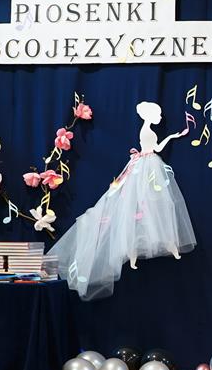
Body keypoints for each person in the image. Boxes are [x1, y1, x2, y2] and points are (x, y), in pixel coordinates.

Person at [49, 101, 196, 301]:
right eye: (157, 116)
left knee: (147, 204)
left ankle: (145, 247)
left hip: (145, 165)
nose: (159, 119)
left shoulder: (147, 130)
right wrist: (170, 137)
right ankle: (136, 249)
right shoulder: (147, 131)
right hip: (146, 166)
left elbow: (155, 148)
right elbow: (154, 148)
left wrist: (171, 137)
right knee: (141, 203)